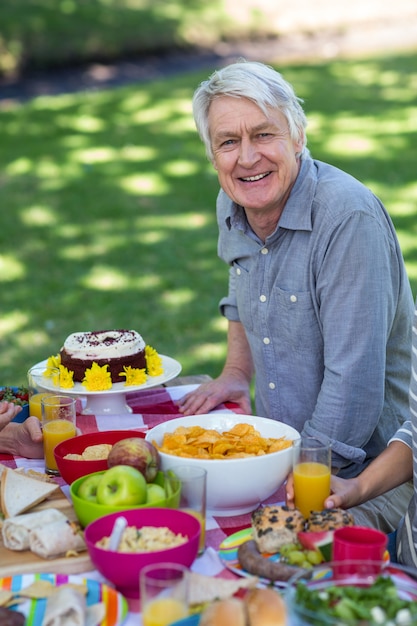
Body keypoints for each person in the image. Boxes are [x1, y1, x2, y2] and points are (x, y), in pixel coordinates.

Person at [178, 60, 414, 532]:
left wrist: (289, 476)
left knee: (267, 566)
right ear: (212, 154)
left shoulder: (348, 220)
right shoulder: (238, 198)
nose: (247, 158)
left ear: (298, 138)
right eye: (228, 142)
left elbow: (354, 379)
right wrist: (235, 372)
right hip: (280, 455)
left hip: (366, 476)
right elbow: (241, 284)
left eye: (264, 135)